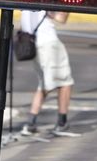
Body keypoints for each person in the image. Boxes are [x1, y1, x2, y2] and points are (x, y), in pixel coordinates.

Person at [18, 9, 79, 137]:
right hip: (49, 42)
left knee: (43, 83)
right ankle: (62, 123)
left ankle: (31, 123)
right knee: (65, 82)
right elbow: (61, 18)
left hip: (33, 43)